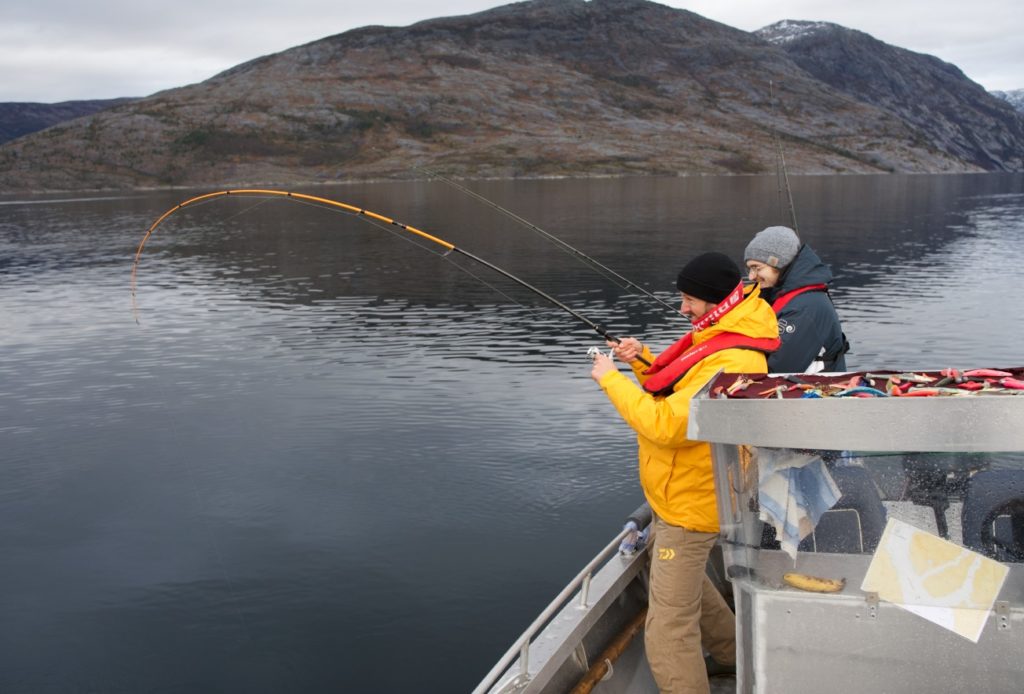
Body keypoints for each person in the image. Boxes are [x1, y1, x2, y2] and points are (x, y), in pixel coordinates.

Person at [590, 251, 779, 694]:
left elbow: (668, 424)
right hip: (688, 496)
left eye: (690, 300)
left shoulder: (731, 356)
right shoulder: (729, 331)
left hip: (692, 506)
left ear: (716, 300)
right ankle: (741, 660)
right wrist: (640, 360)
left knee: (667, 633)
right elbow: (682, 388)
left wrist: (610, 378)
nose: (682, 309)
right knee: (680, 584)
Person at [743, 225, 849, 373]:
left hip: (813, 392)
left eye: (757, 268)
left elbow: (777, 370)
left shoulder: (806, 309)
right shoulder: (778, 294)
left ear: (778, 262)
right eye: (749, 269)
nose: (751, 277)